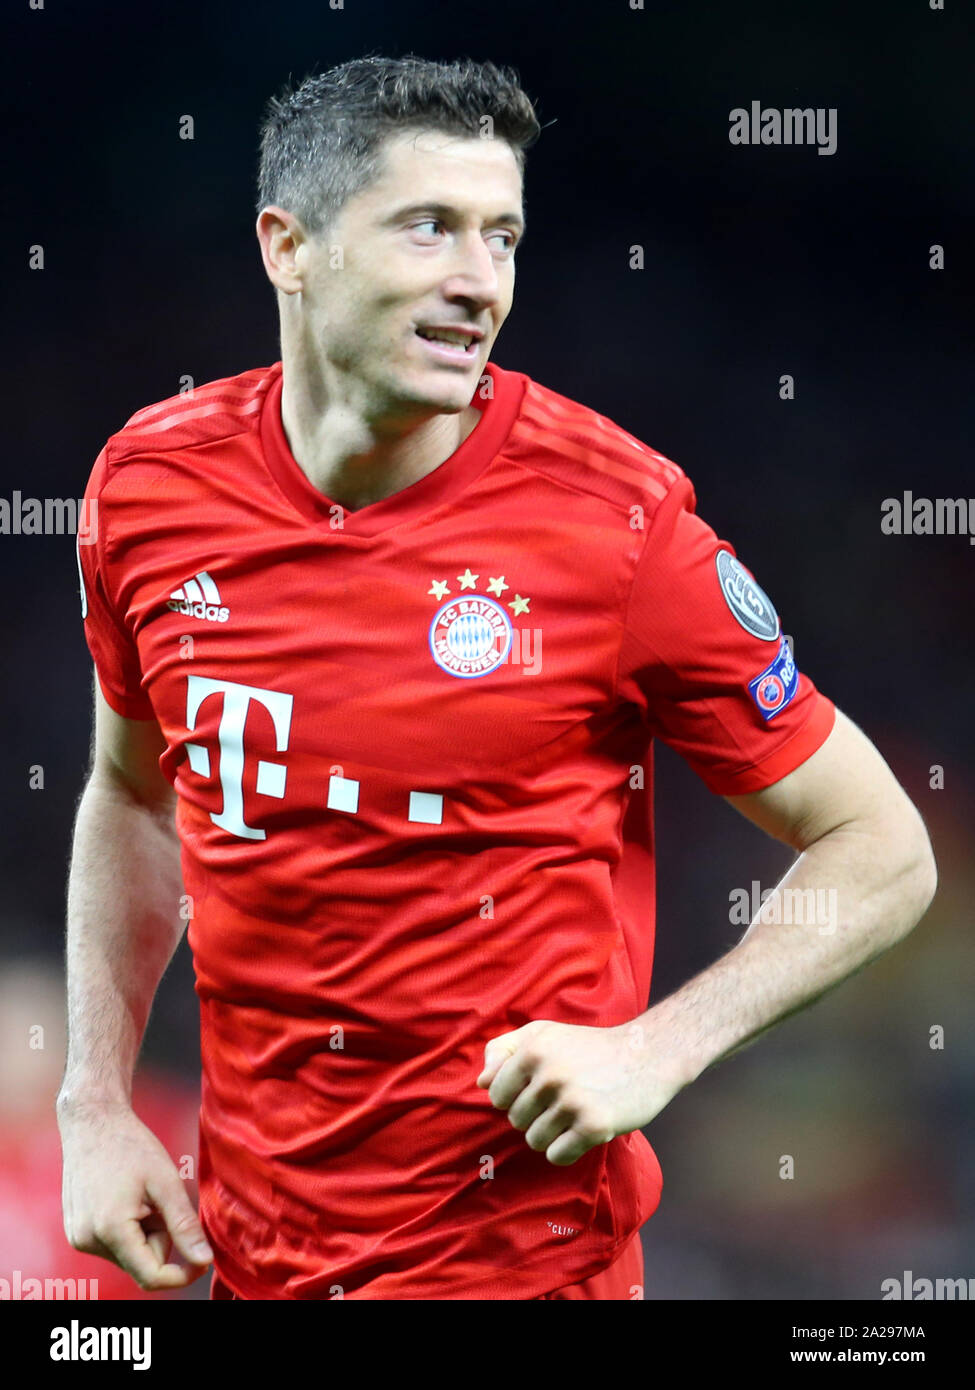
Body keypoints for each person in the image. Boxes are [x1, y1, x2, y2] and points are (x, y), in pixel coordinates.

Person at [57, 54, 937, 1302]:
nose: (479, 281)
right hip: (248, 1260)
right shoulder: (147, 489)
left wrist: (659, 1047)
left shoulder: (616, 523)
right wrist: (94, 1099)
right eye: (430, 228)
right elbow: (129, 795)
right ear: (287, 246)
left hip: (526, 1270)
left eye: (503, 237)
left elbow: (884, 844)